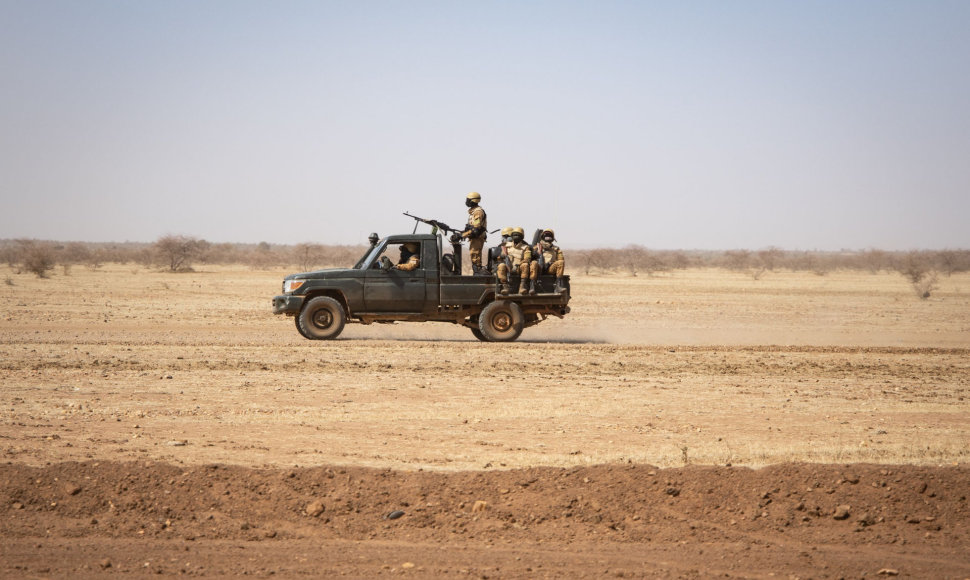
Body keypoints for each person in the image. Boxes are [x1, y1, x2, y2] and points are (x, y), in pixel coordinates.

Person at [496, 227, 537, 295]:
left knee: (525, 265)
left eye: (518, 235)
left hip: (519, 268)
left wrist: (519, 264)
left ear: (522, 237)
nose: (516, 237)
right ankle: (505, 287)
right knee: (501, 265)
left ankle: (522, 287)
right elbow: (499, 258)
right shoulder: (506, 246)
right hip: (508, 267)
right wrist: (503, 256)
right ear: (512, 236)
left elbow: (527, 259)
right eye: (514, 235)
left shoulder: (526, 247)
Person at [461, 192, 488, 272]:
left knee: (475, 254)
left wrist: (462, 236)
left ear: (473, 201)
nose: (466, 202)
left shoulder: (477, 212)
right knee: (474, 254)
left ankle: (477, 272)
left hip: (477, 237)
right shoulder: (473, 211)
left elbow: (476, 229)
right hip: (475, 236)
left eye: (468, 200)